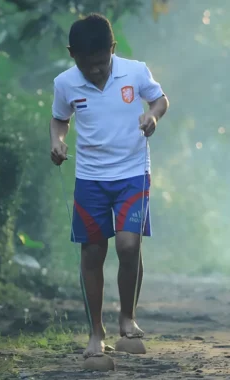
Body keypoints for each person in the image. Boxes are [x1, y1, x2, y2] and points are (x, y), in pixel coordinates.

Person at [49, 13, 169, 359]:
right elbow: (60, 118)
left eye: (102, 63)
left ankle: (128, 317)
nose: (97, 72)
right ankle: (95, 331)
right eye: (89, 66)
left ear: (112, 50)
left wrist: (153, 116)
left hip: (132, 173)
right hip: (90, 178)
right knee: (93, 252)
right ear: (73, 55)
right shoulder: (66, 83)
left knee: (129, 246)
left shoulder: (135, 71)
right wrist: (58, 141)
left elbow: (160, 99)